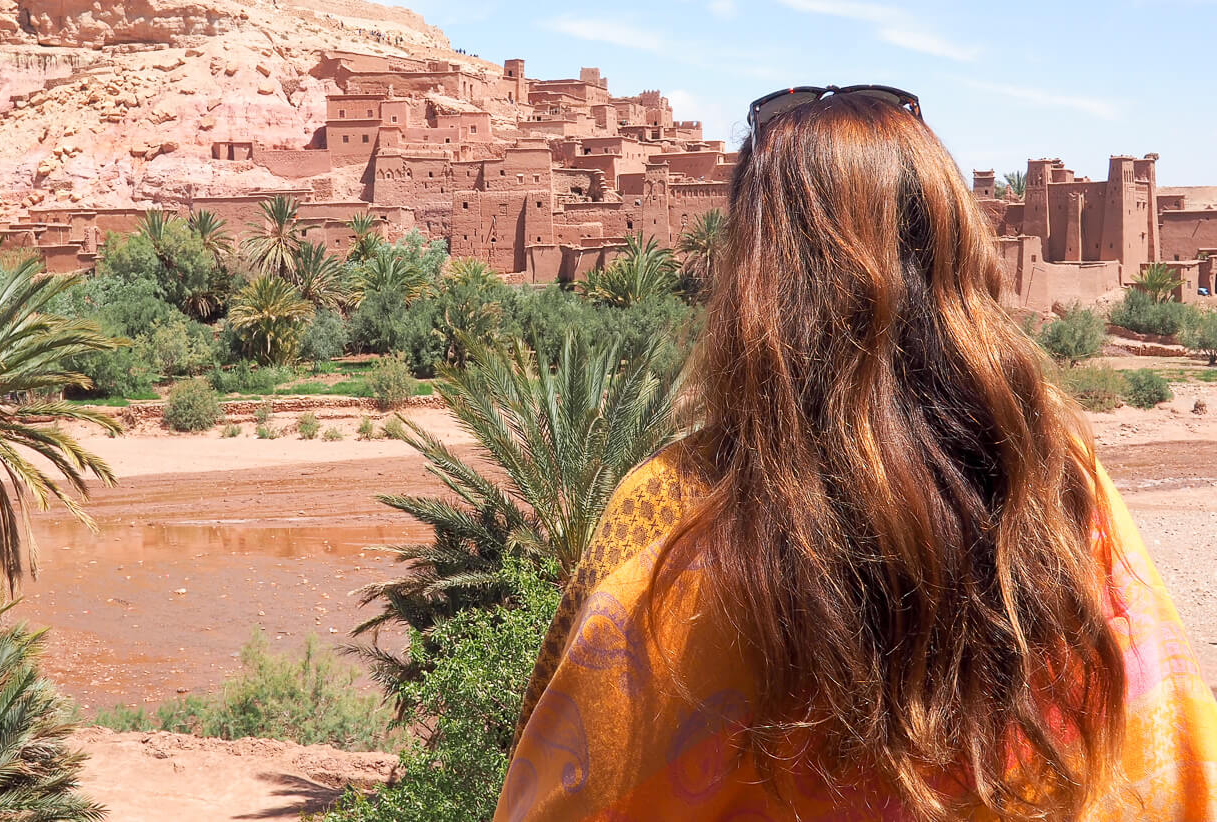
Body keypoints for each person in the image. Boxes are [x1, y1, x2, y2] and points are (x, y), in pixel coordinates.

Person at [495, 87, 1217, 821]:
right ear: (958, 254)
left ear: (752, 270)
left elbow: (569, 783)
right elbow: (1169, 758)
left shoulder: (674, 510)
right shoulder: (1055, 482)